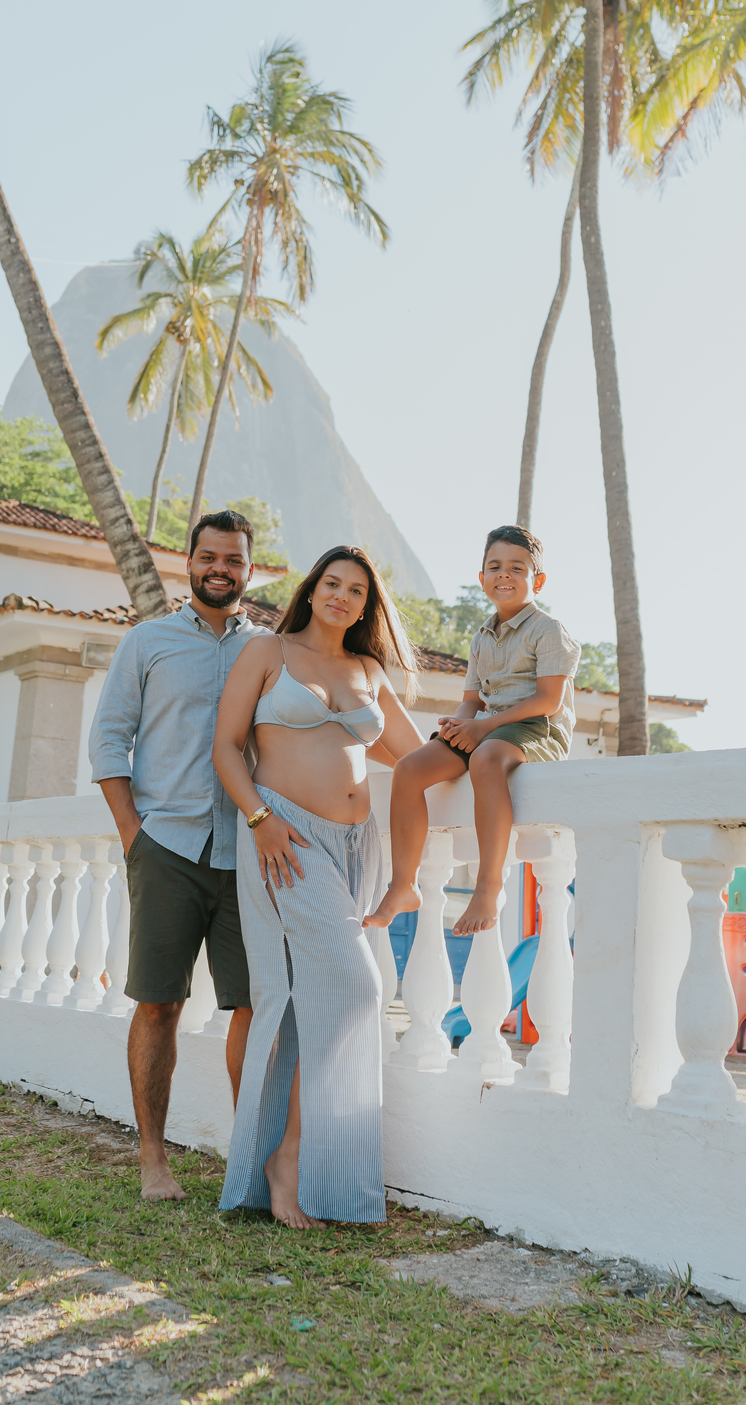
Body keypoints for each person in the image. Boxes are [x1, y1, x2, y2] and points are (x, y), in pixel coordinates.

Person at [213, 545, 423, 1230]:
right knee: (359, 987)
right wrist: (261, 818)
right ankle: (288, 1159)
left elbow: (414, 755)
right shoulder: (267, 655)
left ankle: (296, 1166)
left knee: (324, 1002)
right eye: (332, 583)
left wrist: (497, 730)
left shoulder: (367, 670)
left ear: (368, 607)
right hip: (288, 839)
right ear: (311, 591)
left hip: (355, 846)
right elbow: (226, 747)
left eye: (357, 591)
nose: (342, 596)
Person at [89, 508, 264, 1202]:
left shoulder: (269, 652)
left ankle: (246, 1156)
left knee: (252, 1004)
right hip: (167, 846)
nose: (220, 569)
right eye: (209, 557)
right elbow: (109, 740)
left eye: (234, 560)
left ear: (250, 571)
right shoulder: (148, 642)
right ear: (188, 563)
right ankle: (154, 1157)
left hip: (248, 854)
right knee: (158, 1003)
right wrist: (135, 832)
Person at [365, 524, 580, 938]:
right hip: (488, 726)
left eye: (517, 568)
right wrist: (461, 722)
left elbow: (548, 700)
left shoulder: (549, 630)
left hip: (535, 729)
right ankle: (403, 885)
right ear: (481, 578)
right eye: (494, 567)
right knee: (409, 768)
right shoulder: (482, 636)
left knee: (485, 758)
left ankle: (488, 885)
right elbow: (471, 699)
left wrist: (483, 729)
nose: (504, 574)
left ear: (538, 580)